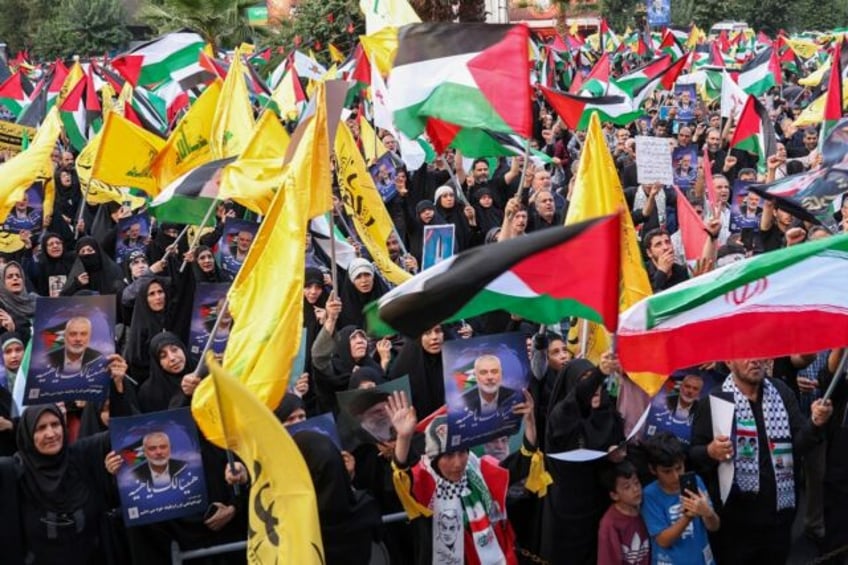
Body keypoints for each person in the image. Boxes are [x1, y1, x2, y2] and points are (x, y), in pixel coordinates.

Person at [690, 358, 833, 564]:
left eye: (759, 354)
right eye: (746, 355)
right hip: (734, 523)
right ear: (729, 362)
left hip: (779, 518)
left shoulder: (781, 392)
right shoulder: (715, 400)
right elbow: (694, 455)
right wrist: (710, 451)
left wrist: (814, 424)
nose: (755, 360)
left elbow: (799, 445)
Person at [387, 388, 543, 565]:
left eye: (462, 452)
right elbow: (402, 475)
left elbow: (522, 463)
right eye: (448, 455)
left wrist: (529, 421)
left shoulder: (478, 470)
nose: (458, 463)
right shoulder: (424, 481)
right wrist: (404, 438)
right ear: (433, 458)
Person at [641, 432, 719, 564]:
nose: (676, 476)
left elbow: (714, 526)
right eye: (667, 471)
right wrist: (688, 516)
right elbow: (663, 541)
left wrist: (708, 513)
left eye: (679, 468)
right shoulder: (650, 495)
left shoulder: (696, 482)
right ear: (653, 470)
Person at [597, 460, 651, 565]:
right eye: (627, 487)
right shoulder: (610, 524)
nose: (635, 489)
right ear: (614, 495)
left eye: (636, 483)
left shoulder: (645, 508)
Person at [461, 354, 519, 418]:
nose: (490, 377)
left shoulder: (514, 396)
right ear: (475, 376)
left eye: (494, 371)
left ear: (501, 374)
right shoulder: (463, 402)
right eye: (483, 372)